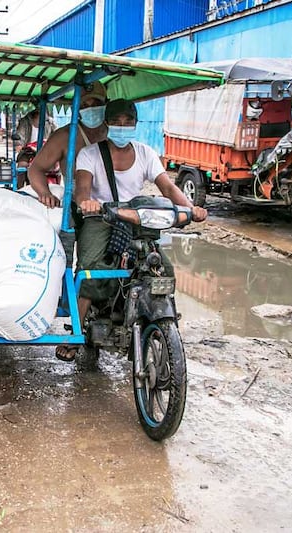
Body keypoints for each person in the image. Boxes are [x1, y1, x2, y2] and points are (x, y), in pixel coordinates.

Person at [55, 99, 208, 362]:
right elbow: (82, 190)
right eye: (117, 122)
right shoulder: (90, 154)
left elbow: (168, 189)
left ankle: (163, 319)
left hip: (136, 217)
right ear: (107, 124)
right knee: (91, 269)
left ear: (135, 124)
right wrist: (86, 203)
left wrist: (190, 208)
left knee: (163, 268)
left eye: (128, 122)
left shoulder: (146, 153)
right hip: (100, 217)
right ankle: (76, 333)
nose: (122, 127)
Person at [27, 81, 109, 207]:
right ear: (76, 108)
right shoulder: (64, 137)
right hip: (79, 207)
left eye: (96, 104)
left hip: (113, 203)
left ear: (106, 104)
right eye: (84, 105)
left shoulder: (114, 133)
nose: (91, 109)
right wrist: (45, 193)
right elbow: (35, 169)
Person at [15, 109, 60, 188]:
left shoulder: (50, 123)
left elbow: (57, 135)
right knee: (22, 166)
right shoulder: (25, 123)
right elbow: (19, 143)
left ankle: (56, 187)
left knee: (57, 168)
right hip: (27, 152)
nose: (44, 121)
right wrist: (24, 147)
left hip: (45, 151)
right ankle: (19, 188)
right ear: (35, 116)